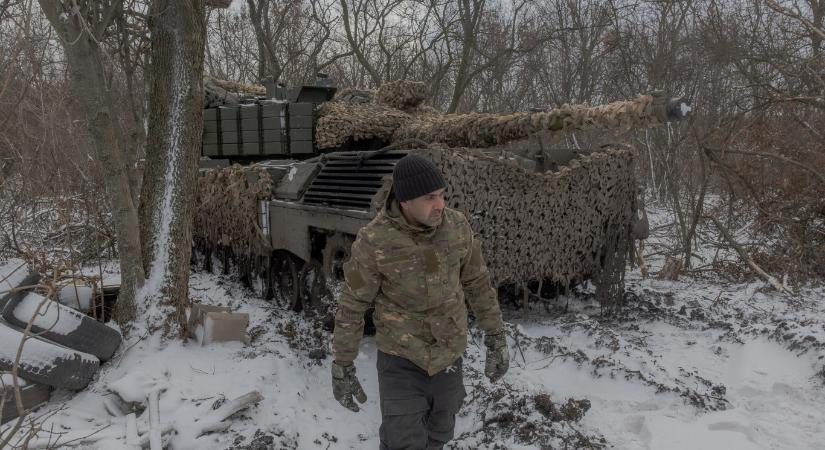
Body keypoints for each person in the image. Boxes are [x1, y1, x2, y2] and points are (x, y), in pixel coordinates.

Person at [330, 153, 509, 450]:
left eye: (441, 195)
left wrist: (496, 335)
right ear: (405, 200)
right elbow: (353, 301)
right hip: (401, 359)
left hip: (448, 354)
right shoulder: (374, 240)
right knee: (403, 441)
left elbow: (477, 283)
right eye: (429, 198)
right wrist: (342, 361)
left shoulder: (458, 227)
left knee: (440, 435)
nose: (440, 204)